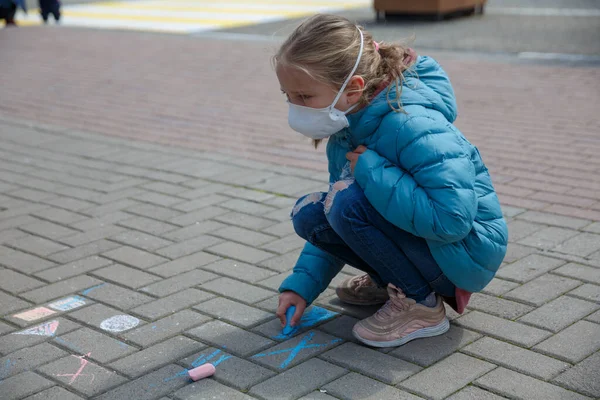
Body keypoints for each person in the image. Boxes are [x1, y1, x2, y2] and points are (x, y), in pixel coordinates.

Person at [274, 14, 507, 348]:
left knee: (345, 200)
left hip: (462, 257)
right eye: (288, 95)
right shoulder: (347, 123)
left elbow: (452, 221)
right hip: (433, 247)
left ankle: (421, 305)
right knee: (311, 212)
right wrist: (302, 285)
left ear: (353, 88)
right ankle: (393, 280)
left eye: (304, 97)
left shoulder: (412, 123)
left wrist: (371, 171)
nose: (294, 108)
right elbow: (337, 215)